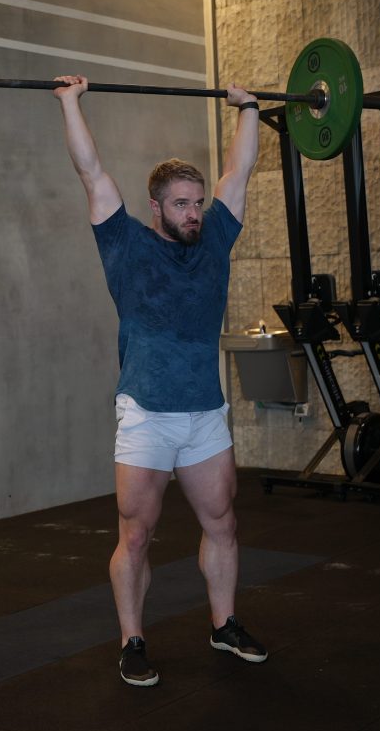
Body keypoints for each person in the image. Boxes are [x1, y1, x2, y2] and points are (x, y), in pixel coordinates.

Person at [53, 74, 266, 686]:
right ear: (157, 207)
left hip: (204, 412)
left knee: (222, 521)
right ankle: (133, 639)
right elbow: (92, 172)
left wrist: (248, 106)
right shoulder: (125, 243)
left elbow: (239, 171)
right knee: (137, 533)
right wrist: (71, 102)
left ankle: (224, 625)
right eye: (181, 203)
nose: (194, 212)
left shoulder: (217, 238)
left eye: (197, 202)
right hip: (145, 412)